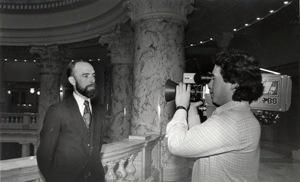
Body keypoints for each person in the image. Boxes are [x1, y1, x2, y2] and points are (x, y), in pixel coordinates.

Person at [166, 49, 264, 182]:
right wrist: (192, 110)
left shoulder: (232, 121)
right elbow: (199, 142)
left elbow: (176, 145)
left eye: (214, 79)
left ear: (234, 83)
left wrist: (181, 107)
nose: (209, 85)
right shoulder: (238, 115)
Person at [37, 61, 105, 182]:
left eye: (93, 75)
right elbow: (44, 156)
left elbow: (96, 147)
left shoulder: (99, 111)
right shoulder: (57, 111)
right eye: (85, 76)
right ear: (72, 80)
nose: (92, 80)